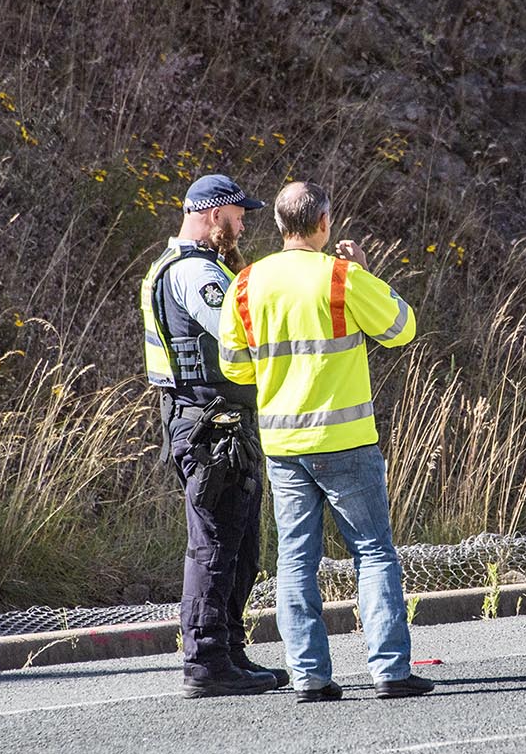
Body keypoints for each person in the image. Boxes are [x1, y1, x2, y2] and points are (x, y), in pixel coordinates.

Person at [218, 180, 434, 702]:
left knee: (295, 559)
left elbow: (234, 368)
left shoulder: (245, 284)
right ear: (323, 224)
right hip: (346, 441)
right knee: (374, 553)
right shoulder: (342, 278)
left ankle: (311, 678)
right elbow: (402, 327)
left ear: (277, 225)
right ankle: (389, 670)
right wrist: (362, 270)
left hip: (283, 444)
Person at [140, 173, 288, 699]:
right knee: (215, 544)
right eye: (238, 215)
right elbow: (241, 328)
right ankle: (205, 659)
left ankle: (228, 650)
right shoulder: (197, 272)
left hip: (211, 423)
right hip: (209, 426)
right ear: (212, 214)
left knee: (241, 546)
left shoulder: (173, 265)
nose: (244, 224)